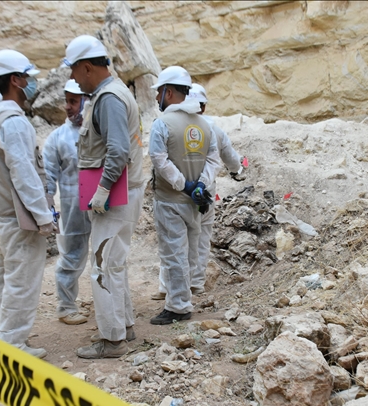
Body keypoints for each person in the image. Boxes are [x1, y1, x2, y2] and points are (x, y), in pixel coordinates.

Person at [63, 35, 144, 359]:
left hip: (115, 197)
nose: (72, 78)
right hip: (125, 192)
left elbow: (117, 151)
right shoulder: (114, 92)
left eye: (73, 71)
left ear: (85, 67)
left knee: (101, 266)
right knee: (115, 263)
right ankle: (124, 326)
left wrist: (102, 191)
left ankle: (112, 341)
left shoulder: (108, 97)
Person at [0, 49, 54, 359]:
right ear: (15, 80)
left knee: (4, 278)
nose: (31, 83)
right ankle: (12, 345)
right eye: (27, 77)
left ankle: (0, 334)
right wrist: (43, 216)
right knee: (21, 282)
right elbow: (24, 174)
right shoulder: (15, 123)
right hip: (16, 219)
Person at [153, 83, 246, 300]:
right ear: (202, 106)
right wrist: (237, 171)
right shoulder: (211, 127)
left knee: (171, 241)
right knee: (200, 239)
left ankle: (165, 286)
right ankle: (195, 284)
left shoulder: (169, 124)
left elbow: (160, 159)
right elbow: (229, 158)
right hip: (203, 193)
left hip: (175, 191)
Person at [148, 67, 222, 326]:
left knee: (173, 254)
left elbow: (159, 159)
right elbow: (214, 160)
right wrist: (200, 185)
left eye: (159, 92)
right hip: (195, 201)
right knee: (190, 252)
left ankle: (178, 306)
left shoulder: (162, 124)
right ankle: (184, 296)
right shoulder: (204, 124)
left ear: (168, 92)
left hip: (171, 201)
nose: (158, 98)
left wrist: (184, 185)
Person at [43, 80, 92, 326]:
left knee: (107, 254)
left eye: (74, 101)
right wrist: (49, 210)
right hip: (73, 206)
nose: (67, 107)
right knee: (72, 254)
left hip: (101, 202)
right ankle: (65, 305)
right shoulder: (58, 138)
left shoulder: (98, 130)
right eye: (67, 101)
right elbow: (48, 177)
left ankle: (107, 302)